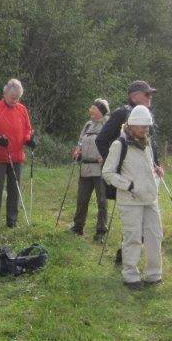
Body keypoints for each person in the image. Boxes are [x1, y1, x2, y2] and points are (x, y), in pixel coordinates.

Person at [102, 105, 163, 290]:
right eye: (142, 126)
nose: (145, 129)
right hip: (130, 200)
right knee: (133, 237)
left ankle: (153, 275)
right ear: (132, 125)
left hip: (151, 198)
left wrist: (157, 171)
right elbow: (108, 173)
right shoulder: (119, 144)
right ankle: (131, 276)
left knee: (155, 236)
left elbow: (148, 166)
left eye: (147, 126)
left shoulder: (148, 143)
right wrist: (129, 186)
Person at [0, 78, 35, 229]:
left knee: (15, 189)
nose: (15, 100)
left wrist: (29, 140)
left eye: (18, 98)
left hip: (17, 156)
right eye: (13, 97)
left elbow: (28, 130)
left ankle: (12, 220)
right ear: (5, 93)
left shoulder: (22, 109)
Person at [95, 80, 163, 183]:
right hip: (127, 175)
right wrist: (114, 164)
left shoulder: (148, 116)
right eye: (147, 94)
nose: (150, 97)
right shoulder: (121, 113)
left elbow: (150, 143)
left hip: (146, 173)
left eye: (151, 94)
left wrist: (156, 165)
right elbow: (101, 140)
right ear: (134, 97)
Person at [70, 98, 111, 241]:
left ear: (101, 110)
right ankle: (78, 226)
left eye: (93, 108)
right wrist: (77, 151)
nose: (90, 110)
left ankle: (100, 232)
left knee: (102, 201)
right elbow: (80, 142)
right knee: (82, 199)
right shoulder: (87, 125)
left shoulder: (108, 124)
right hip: (85, 167)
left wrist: (107, 157)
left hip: (101, 169)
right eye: (91, 108)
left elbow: (113, 144)